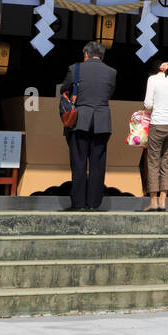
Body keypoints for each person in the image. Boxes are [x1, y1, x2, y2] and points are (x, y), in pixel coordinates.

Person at [60, 41, 117, 211]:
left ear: (86, 54)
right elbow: (110, 93)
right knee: (97, 164)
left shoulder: (75, 68)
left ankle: (78, 203)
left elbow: (64, 89)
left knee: (78, 162)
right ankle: (93, 203)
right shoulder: (112, 72)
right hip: (102, 122)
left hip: (80, 121)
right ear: (102, 56)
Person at [141, 59, 168, 211]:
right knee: (166, 163)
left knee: (153, 162)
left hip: (158, 124)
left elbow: (148, 104)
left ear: (153, 71)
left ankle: (153, 201)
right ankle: (163, 201)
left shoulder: (152, 80)